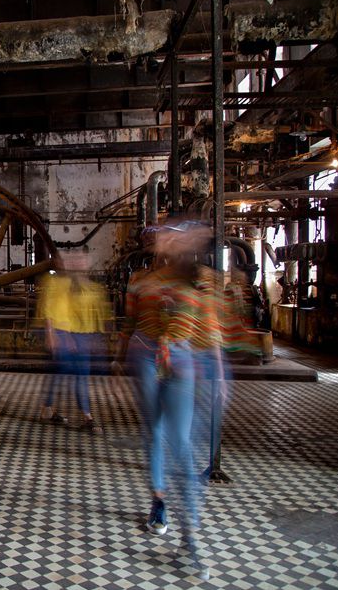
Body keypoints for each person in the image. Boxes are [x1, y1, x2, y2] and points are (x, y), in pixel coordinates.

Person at [114, 220, 210, 579]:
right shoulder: (141, 281)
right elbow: (129, 321)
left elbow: (209, 324)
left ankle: (189, 534)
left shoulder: (200, 279)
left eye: (173, 237)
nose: (165, 241)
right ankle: (159, 503)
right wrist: (120, 357)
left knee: (181, 441)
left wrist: (211, 365)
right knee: (154, 432)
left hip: (182, 359)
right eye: (161, 237)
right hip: (145, 357)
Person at [36, 251, 111, 433]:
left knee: (63, 373)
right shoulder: (55, 283)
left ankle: (49, 409)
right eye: (73, 261)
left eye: (81, 261)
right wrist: (52, 334)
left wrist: (96, 337)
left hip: (75, 336)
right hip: (64, 334)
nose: (77, 264)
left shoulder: (84, 286)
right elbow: (49, 309)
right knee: (74, 373)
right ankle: (86, 416)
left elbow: (86, 313)